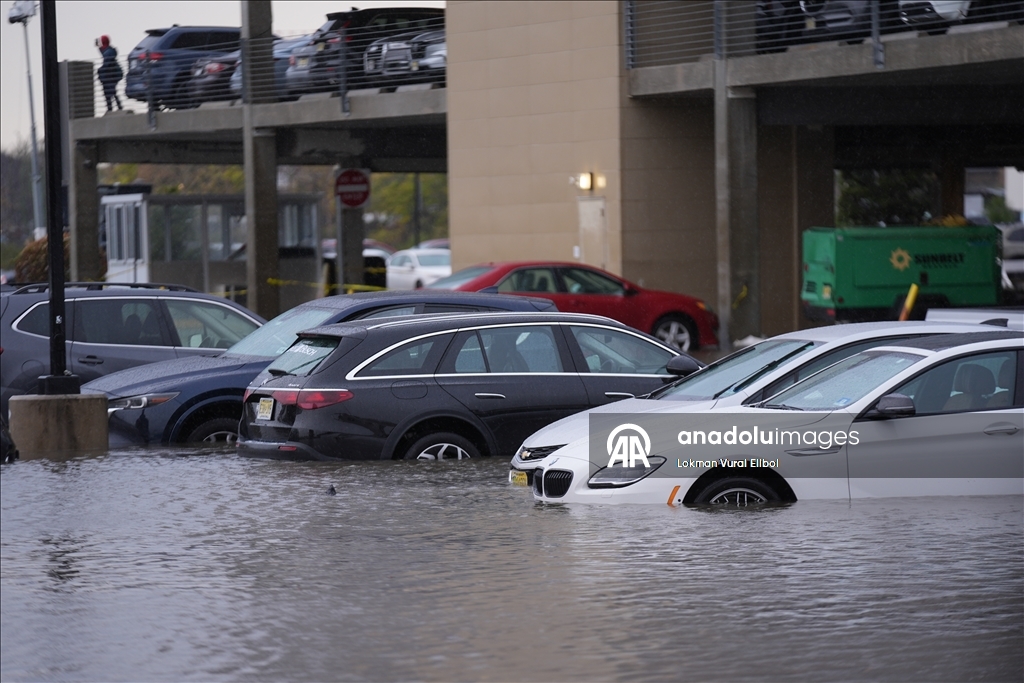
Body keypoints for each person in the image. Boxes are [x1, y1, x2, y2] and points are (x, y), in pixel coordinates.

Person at [96, 35, 123, 112]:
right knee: (112, 92)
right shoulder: (110, 50)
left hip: (110, 75)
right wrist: (99, 47)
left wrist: (100, 71)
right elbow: (103, 52)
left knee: (109, 93)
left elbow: (106, 64)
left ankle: (112, 109)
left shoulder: (108, 52)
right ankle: (117, 107)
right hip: (112, 75)